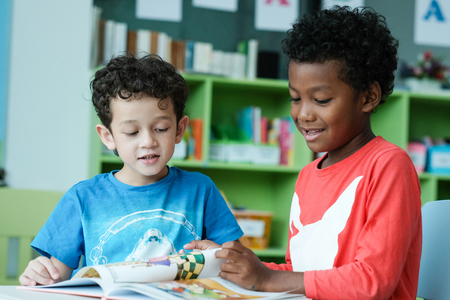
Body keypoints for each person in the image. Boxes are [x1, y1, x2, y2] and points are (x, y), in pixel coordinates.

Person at [185, 6, 422, 299]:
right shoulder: (308, 175)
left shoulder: (388, 165)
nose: (303, 114)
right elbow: (301, 272)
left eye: (321, 100)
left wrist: (267, 279)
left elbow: (372, 282)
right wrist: (235, 265)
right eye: (295, 98)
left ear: (368, 97)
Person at [19, 54, 243, 286]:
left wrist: (219, 258)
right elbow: (55, 278)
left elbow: (238, 265)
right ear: (108, 137)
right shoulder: (82, 198)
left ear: (179, 129)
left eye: (161, 128)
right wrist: (40, 274)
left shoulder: (200, 190)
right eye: (132, 132)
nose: (148, 141)